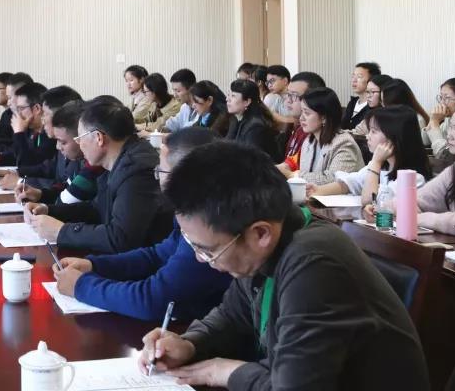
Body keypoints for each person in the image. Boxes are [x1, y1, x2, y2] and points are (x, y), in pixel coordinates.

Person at [137, 141, 428, 390]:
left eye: (208, 250)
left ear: (260, 234)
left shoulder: (314, 265)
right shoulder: (270, 239)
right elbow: (233, 315)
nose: (201, 259)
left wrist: (221, 371)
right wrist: (190, 343)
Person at [51, 127, 231, 322]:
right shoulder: (193, 209)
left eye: (160, 171)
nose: (156, 176)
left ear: (185, 178)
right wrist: (94, 265)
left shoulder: (212, 226)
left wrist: (81, 287)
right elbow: (157, 256)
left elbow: (152, 300)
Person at [25, 102, 170, 254]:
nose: (79, 145)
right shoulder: (117, 160)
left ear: (99, 138)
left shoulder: (137, 171)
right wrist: (49, 210)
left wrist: (61, 231)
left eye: (80, 138)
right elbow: (97, 208)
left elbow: (120, 238)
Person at [307, 106, 431, 211]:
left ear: (394, 136)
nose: (368, 136)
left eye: (373, 131)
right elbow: (351, 182)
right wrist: (318, 190)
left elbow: (369, 201)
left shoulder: (414, 178)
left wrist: (376, 162)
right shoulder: (383, 165)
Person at [0, 85, 82, 190]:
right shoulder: (54, 139)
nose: (42, 119)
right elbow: (47, 168)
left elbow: (64, 187)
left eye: (45, 114)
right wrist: (12, 172)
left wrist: (21, 182)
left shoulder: (75, 149)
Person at [13, 100, 100, 205]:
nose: (57, 147)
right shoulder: (77, 160)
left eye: (63, 142)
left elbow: (64, 202)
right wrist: (40, 194)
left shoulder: (94, 166)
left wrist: (46, 207)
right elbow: (65, 188)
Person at [280, 87, 362, 184]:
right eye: (302, 111)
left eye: (307, 113)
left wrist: (293, 175)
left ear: (324, 118)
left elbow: (333, 180)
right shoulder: (308, 141)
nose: (301, 118)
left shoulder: (344, 144)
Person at [417, 103, 455, 234]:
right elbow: (417, 199)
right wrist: (383, 208)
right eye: (450, 128)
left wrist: (421, 219)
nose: (449, 135)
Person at [0, 72, 34, 164]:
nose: (8, 103)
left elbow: (24, 159)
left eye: (9, 97)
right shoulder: (9, 115)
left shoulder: (36, 127)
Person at [0, 83, 54, 167]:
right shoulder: (30, 130)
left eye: (21, 108)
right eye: (17, 109)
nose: (18, 114)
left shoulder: (50, 134)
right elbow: (21, 155)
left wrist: (19, 133)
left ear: (37, 109)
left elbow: (26, 165)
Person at [280, 71, 326, 170]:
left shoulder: (317, 134)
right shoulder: (300, 129)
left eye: (294, 95)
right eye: (288, 94)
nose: (288, 100)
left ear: (314, 98)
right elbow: (291, 162)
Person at [225, 79, 279, 162]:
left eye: (233, 96)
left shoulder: (256, 126)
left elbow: (251, 159)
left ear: (247, 102)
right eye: (228, 95)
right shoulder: (236, 119)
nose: (227, 99)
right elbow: (227, 146)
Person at [428, 77, 455, 167]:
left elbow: (445, 156)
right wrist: (433, 119)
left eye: (447, 98)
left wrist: (434, 123)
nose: (442, 103)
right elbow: (425, 141)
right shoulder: (449, 119)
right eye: (441, 98)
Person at [342, 62, 381, 130]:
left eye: (359, 77)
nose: (354, 80)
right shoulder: (352, 102)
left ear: (371, 80)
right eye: (353, 76)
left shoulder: (374, 106)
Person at [161, 69, 199, 133]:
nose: (175, 95)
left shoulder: (202, 107)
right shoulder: (184, 107)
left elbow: (191, 130)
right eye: (174, 90)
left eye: (178, 91)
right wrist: (163, 129)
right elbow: (175, 123)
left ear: (191, 89)